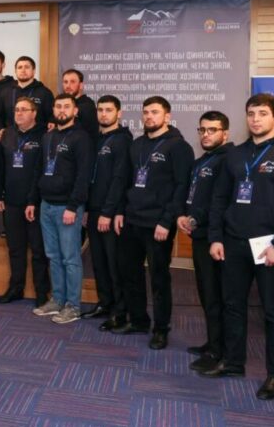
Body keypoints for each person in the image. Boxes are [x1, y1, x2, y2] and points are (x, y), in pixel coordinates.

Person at [203, 93, 274, 401]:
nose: (255, 119)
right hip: (233, 242)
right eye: (251, 113)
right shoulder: (236, 154)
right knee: (232, 305)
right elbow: (219, 198)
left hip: (270, 247)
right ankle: (233, 362)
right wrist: (216, 237)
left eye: (262, 113)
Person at [112, 96, 193, 350]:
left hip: (158, 224)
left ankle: (161, 329)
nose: (149, 116)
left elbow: (181, 187)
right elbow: (125, 180)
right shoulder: (136, 145)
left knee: (159, 278)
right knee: (130, 273)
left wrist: (166, 221)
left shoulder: (179, 146)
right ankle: (138, 320)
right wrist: (119, 211)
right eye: (146, 112)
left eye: (155, 112)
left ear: (167, 116)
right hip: (131, 220)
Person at [175, 111, 232, 372]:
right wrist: (184, 216)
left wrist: (196, 219)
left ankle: (219, 351)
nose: (206, 135)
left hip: (214, 238)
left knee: (216, 296)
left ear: (225, 133)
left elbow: (219, 201)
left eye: (212, 130)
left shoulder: (227, 160)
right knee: (206, 294)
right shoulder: (202, 161)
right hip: (198, 235)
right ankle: (212, 343)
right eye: (202, 130)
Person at [33, 94, 92, 325]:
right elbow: (40, 170)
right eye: (58, 106)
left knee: (70, 258)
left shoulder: (81, 138)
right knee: (53, 256)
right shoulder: (48, 137)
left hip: (67, 208)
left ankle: (73, 306)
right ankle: (57, 299)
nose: (62, 110)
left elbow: (83, 176)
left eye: (67, 106)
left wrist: (73, 206)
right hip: (46, 205)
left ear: (75, 111)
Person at [83, 95, 132, 327]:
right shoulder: (96, 139)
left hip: (109, 213)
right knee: (98, 262)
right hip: (93, 209)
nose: (104, 114)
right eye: (100, 110)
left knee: (114, 265)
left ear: (119, 113)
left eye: (109, 110)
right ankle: (105, 302)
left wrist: (108, 212)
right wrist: (87, 209)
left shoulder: (123, 140)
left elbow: (120, 179)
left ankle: (119, 312)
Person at [0, 96, 48, 306]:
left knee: (38, 251)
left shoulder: (44, 135)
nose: (19, 113)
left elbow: (41, 171)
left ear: (34, 113)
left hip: (34, 203)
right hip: (11, 202)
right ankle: (16, 288)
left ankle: (42, 293)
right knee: (15, 249)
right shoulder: (7, 134)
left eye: (24, 110)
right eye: (17, 109)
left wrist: (33, 200)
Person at [0, 56, 53, 131]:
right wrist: (0, 129)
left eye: (27, 67)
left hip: (37, 136)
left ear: (34, 71)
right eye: (20, 67)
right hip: (11, 136)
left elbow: (52, 117)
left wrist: (52, 122)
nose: (23, 70)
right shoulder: (6, 92)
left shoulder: (44, 93)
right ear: (15, 71)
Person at [61, 68, 98, 143]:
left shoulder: (87, 105)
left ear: (81, 85)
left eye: (72, 82)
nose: (68, 86)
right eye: (65, 82)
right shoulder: (60, 104)